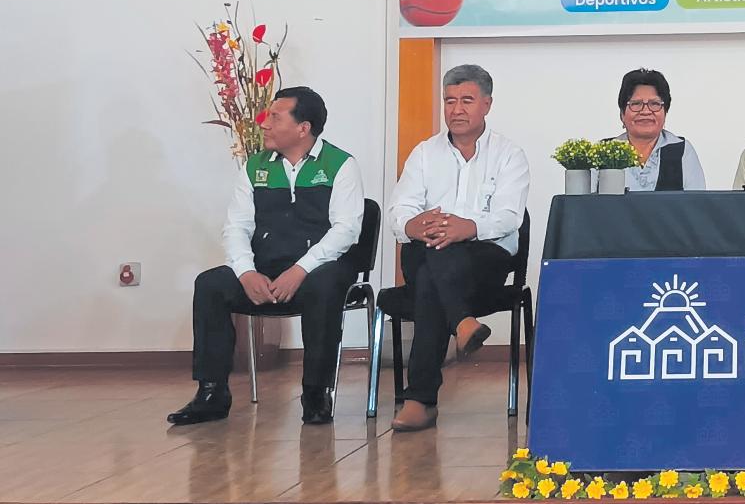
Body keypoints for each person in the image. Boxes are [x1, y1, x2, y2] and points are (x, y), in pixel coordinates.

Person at [168, 87, 364, 426]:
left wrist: (300, 269)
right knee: (211, 284)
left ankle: (316, 392)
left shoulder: (340, 165)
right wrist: (246, 272)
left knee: (326, 284)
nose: (264, 123)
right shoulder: (255, 167)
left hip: (318, 269)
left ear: (303, 128)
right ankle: (212, 393)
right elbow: (237, 227)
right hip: (265, 267)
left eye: (275, 117)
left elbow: (346, 230)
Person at [388, 65, 531, 432]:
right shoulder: (424, 153)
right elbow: (400, 209)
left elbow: (510, 217)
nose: (456, 110)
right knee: (434, 253)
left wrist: (468, 227)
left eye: (466, 100)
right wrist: (413, 225)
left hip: (485, 258)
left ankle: (420, 400)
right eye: (449, 101)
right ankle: (462, 322)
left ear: (487, 104)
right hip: (427, 249)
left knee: (432, 273)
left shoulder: (509, 154)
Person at [610, 68, 705, 191]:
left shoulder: (682, 150)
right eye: (636, 104)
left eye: (654, 104)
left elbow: (697, 201)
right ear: (622, 114)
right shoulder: (605, 152)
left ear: (665, 112)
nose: (645, 111)